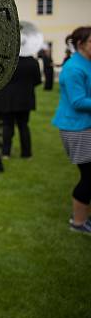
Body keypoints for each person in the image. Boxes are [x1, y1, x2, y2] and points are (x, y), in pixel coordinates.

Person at [51, 26, 91, 234]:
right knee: (89, 176)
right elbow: (77, 101)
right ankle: (78, 222)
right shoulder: (74, 67)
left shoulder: (86, 63)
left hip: (84, 126)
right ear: (81, 44)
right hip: (77, 128)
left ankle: (82, 218)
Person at [0, 55, 42, 159]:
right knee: (23, 126)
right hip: (25, 98)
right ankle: (26, 153)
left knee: (7, 125)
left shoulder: (8, 60)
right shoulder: (33, 62)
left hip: (8, 98)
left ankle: (6, 152)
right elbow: (37, 80)